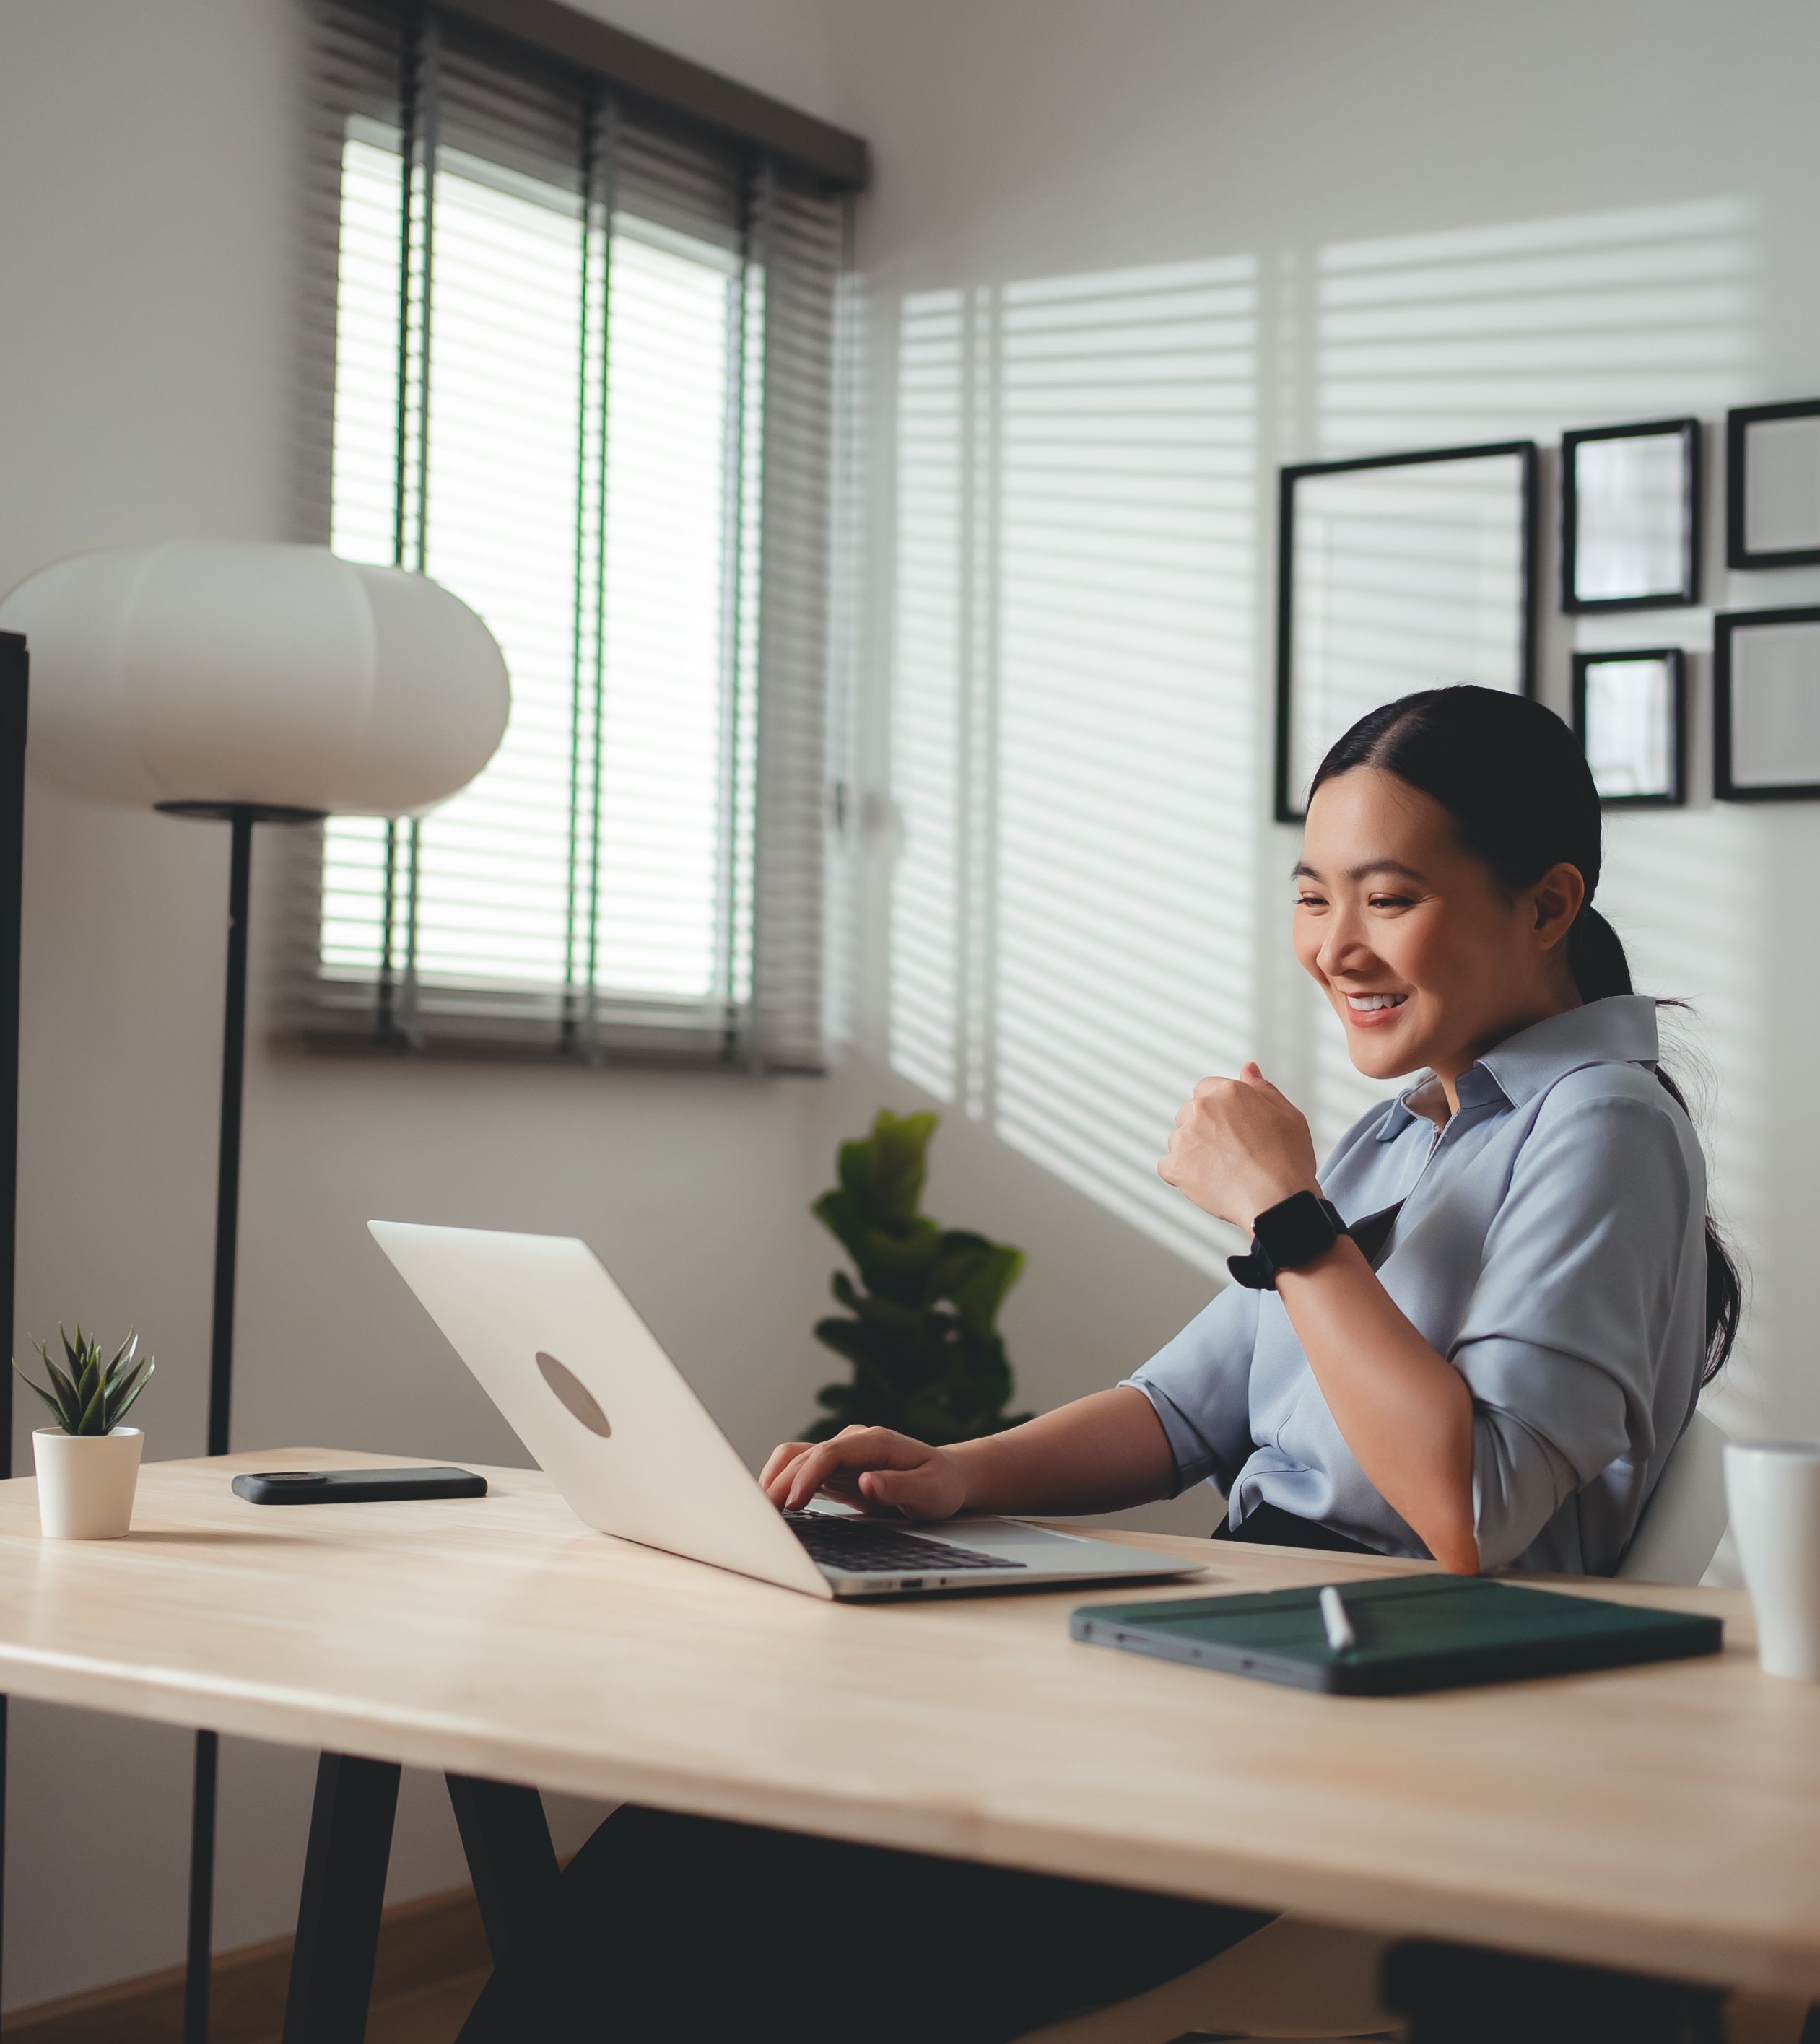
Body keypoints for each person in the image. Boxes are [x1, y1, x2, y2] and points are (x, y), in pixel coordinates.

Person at [454, 685, 1743, 2044]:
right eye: (1313, 898)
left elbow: (1471, 1511)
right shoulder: (1403, 1131)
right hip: (1261, 1639)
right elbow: (1185, 1407)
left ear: (1547, 905)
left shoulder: (1601, 1124)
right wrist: (956, 1474)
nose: (1337, 947)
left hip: (1397, 1715)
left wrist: (1287, 1219)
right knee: (721, 1821)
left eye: (1388, 898)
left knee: (764, 1878)